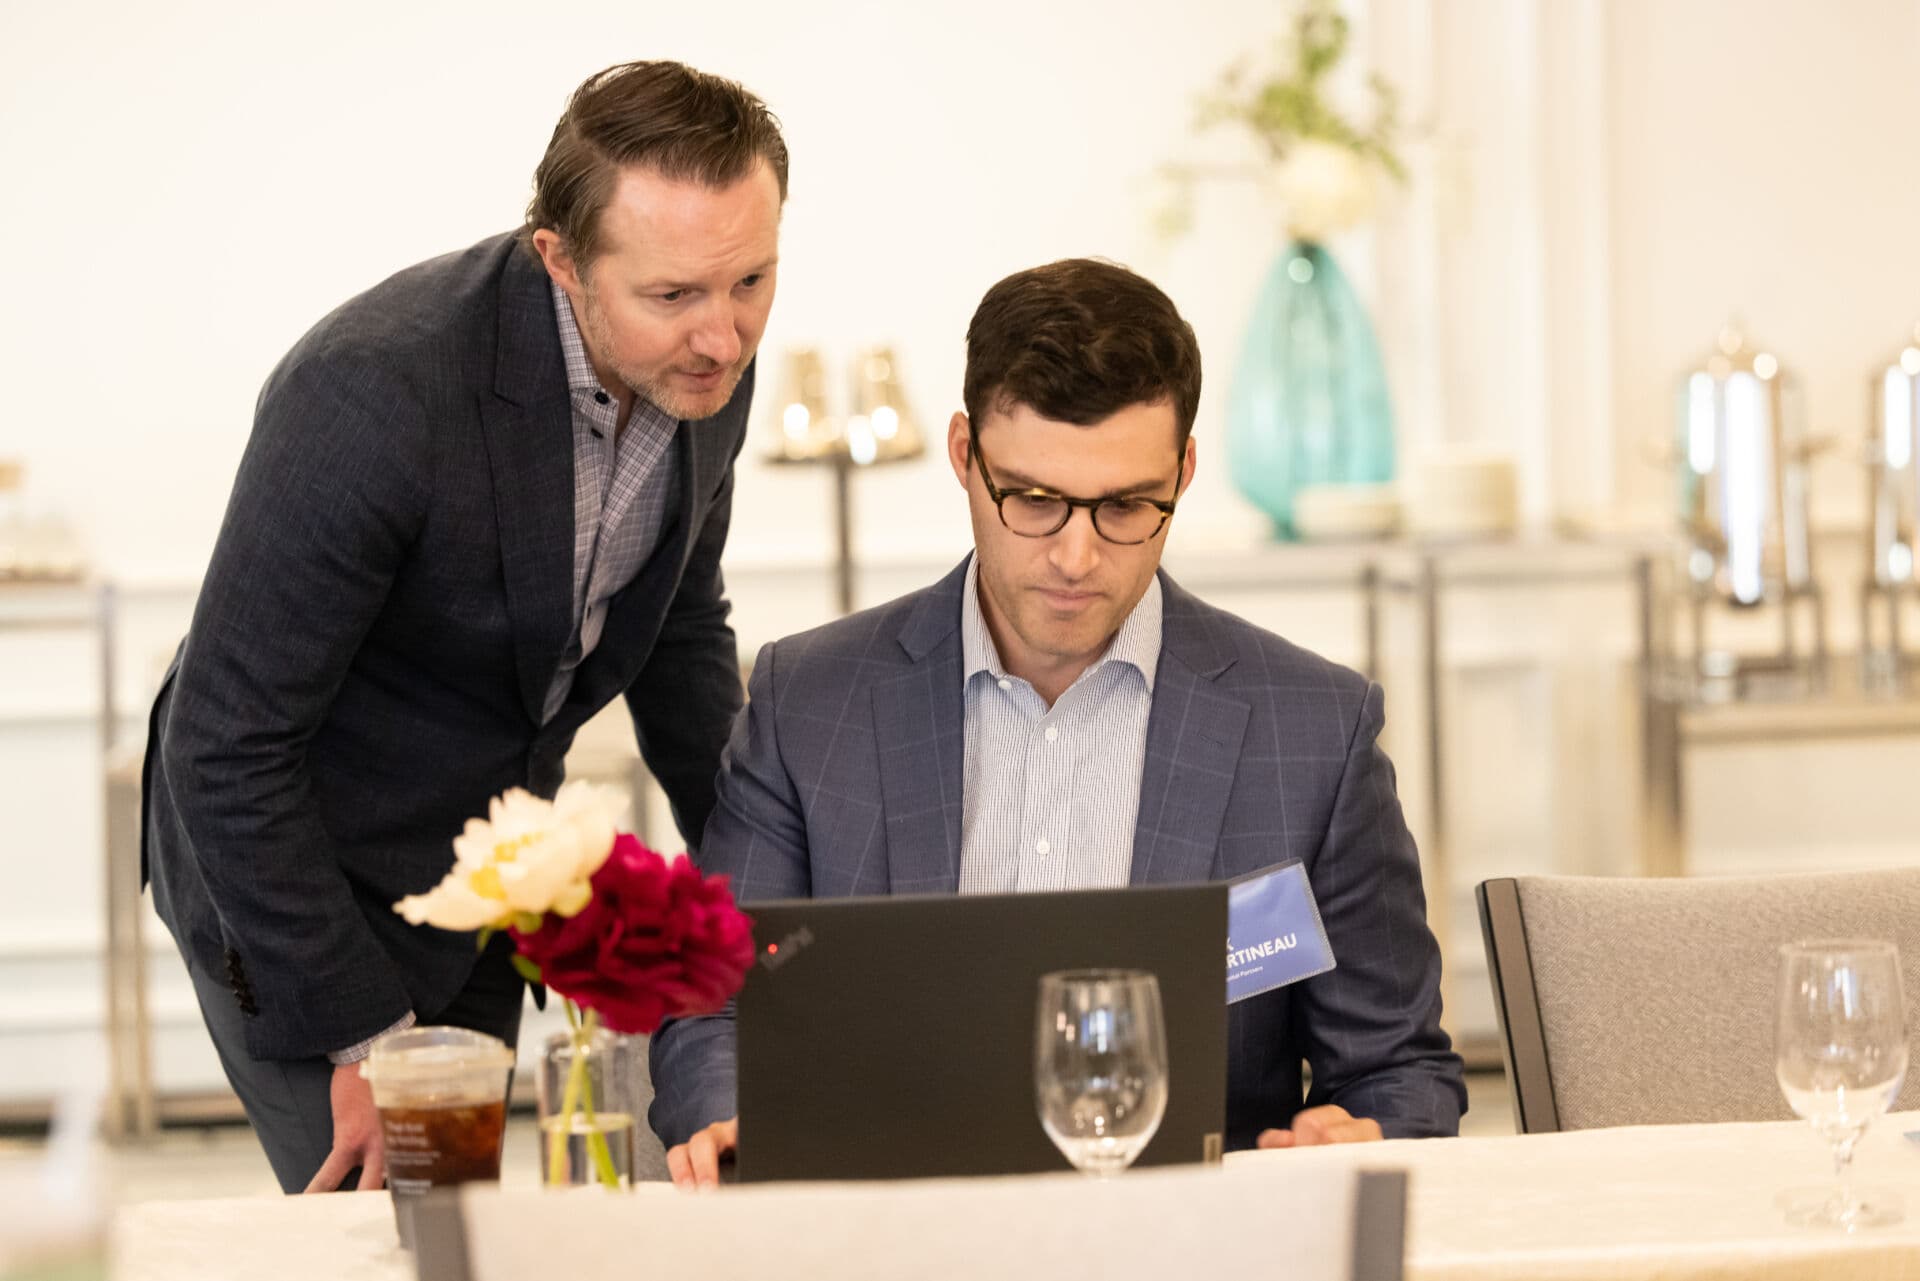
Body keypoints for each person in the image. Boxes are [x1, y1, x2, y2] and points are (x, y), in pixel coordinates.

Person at [649, 258, 1465, 1188]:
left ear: (1184, 472)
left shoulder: (1317, 731)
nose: (1076, 557)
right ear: (965, 455)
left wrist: (1365, 1133)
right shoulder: (810, 702)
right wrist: (731, 1113)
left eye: (1125, 506)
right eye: (1033, 500)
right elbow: (709, 1002)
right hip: (890, 1232)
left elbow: (1400, 1069)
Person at [142, 59, 787, 1194]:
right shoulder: (374, 390)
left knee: (469, 1221)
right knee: (390, 1226)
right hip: (294, 878)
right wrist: (365, 1040)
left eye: (752, 281)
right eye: (676, 295)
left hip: (471, 869)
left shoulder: (704, 366)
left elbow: (680, 632)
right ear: (560, 256)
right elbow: (225, 748)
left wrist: (758, 898)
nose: (725, 337)